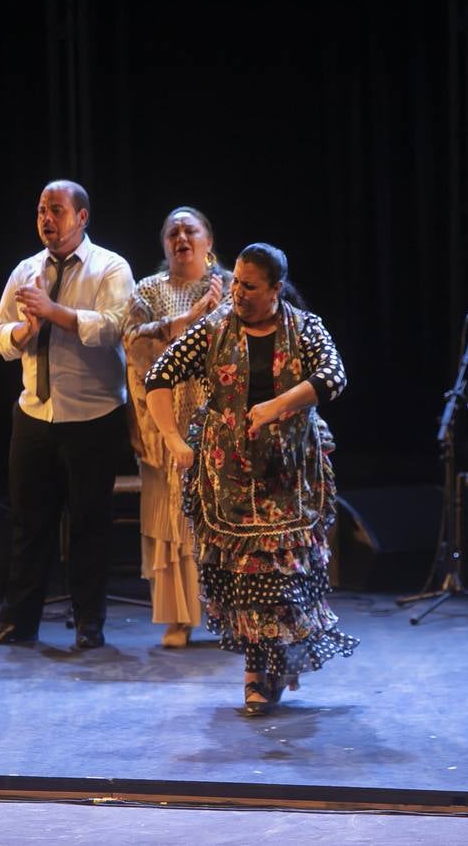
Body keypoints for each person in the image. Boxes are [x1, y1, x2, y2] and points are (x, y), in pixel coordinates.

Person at [145, 242, 357, 715]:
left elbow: (334, 376)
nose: (237, 293)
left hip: (288, 476)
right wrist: (176, 442)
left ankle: (275, 662)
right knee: (243, 579)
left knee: (282, 580)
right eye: (236, 282)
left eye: (249, 286)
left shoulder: (304, 328)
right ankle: (254, 672)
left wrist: (278, 406)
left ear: (276, 289)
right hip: (229, 478)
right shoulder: (215, 328)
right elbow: (159, 376)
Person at [0, 180, 134, 650]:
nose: (46, 218)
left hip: (93, 415)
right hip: (35, 413)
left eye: (56, 210)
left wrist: (54, 311)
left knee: (88, 523)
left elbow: (113, 329)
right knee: (28, 522)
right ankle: (17, 623)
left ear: (82, 218)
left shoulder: (110, 267)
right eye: (41, 209)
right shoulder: (26, 269)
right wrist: (24, 331)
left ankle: (88, 623)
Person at [123, 206, 230, 647]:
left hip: (217, 416)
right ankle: (178, 617)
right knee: (173, 519)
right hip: (164, 420)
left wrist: (214, 310)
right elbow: (132, 340)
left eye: (191, 229)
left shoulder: (229, 286)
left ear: (209, 241)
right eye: (173, 231)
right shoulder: (149, 290)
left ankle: (234, 615)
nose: (181, 236)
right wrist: (188, 320)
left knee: (224, 515)